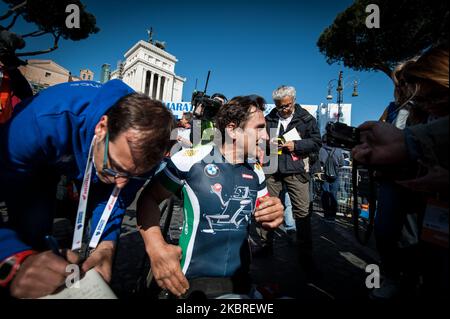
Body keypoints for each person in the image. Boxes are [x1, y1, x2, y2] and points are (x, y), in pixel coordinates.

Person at [0, 80, 174, 298]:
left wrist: (106, 245)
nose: (122, 182)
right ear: (102, 128)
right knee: (31, 227)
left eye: (133, 175)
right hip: (34, 159)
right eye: (117, 168)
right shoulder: (45, 120)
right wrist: (14, 258)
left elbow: (114, 199)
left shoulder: (140, 156)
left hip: (83, 153)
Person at [137, 95, 284, 298]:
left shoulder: (256, 170)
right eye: (259, 128)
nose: (267, 137)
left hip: (241, 282)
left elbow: (265, 215)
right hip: (189, 282)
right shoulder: (189, 160)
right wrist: (156, 247)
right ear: (232, 129)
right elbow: (149, 198)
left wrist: (274, 213)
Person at [263, 85, 321, 268]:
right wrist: (265, 142)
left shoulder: (307, 119)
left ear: (293, 101)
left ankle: (305, 254)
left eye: (286, 106)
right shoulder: (268, 119)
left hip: (297, 171)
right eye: (279, 106)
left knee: (302, 213)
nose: (283, 110)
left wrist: (296, 145)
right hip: (272, 171)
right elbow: (258, 139)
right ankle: (266, 245)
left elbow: (317, 142)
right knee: (267, 210)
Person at [319, 134, 344, 222]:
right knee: (334, 195)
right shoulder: (338, 150)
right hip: (336, 175)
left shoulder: (321, 149)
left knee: (325, 195)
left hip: (324, 175)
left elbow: (320, 163)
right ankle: (332, 216)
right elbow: (342, 163)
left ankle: (326, 214)